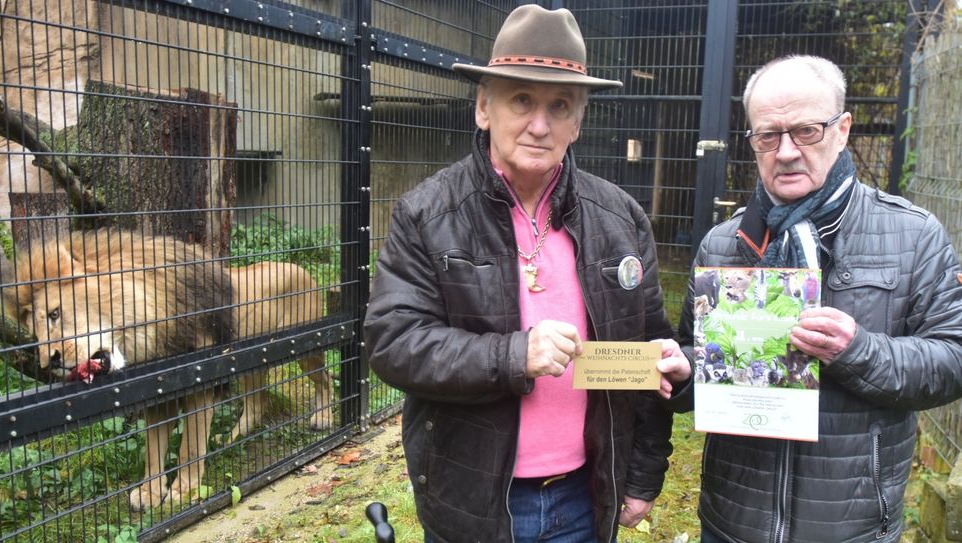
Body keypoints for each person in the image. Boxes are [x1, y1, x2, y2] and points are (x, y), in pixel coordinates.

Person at [363, 5, 690, 542]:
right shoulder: (427, 214)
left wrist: (642, 474)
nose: (540, 124)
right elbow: (394, 343)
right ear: (484, 107)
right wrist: (514, 355)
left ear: (578, 121)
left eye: (559, 105)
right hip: (474, 495)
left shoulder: (622, 219)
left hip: (585, 493)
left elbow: (649, 353)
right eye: (521, 100)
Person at [674, 55, 962, 543]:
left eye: (806, 131)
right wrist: (682, 374)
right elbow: (696, 359)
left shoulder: (912, 235)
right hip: (733, 521)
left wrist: (857, 351)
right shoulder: (724, 245)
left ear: (843, 128)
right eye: (768, 135)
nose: (785, 151)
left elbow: (953, 358)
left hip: (851, 526)